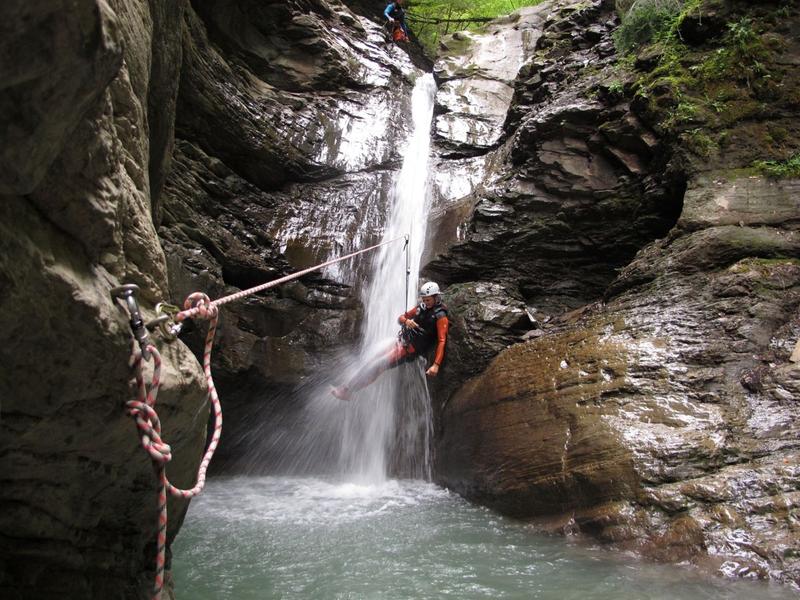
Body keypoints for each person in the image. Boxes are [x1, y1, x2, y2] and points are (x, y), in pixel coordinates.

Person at [331, 281, 449, 400]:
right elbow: (400, 318)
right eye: (424, 299)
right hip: (401, 340)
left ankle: (348, 390)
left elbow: (442, 340)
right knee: (372, 359)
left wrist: (436, 365)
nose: (425, 302)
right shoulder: (420, 308)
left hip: (409, 349)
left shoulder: (440, 316)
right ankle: (346, 387)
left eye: (428, 300)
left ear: (435, 297)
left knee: (377, 366)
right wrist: (406, 321)